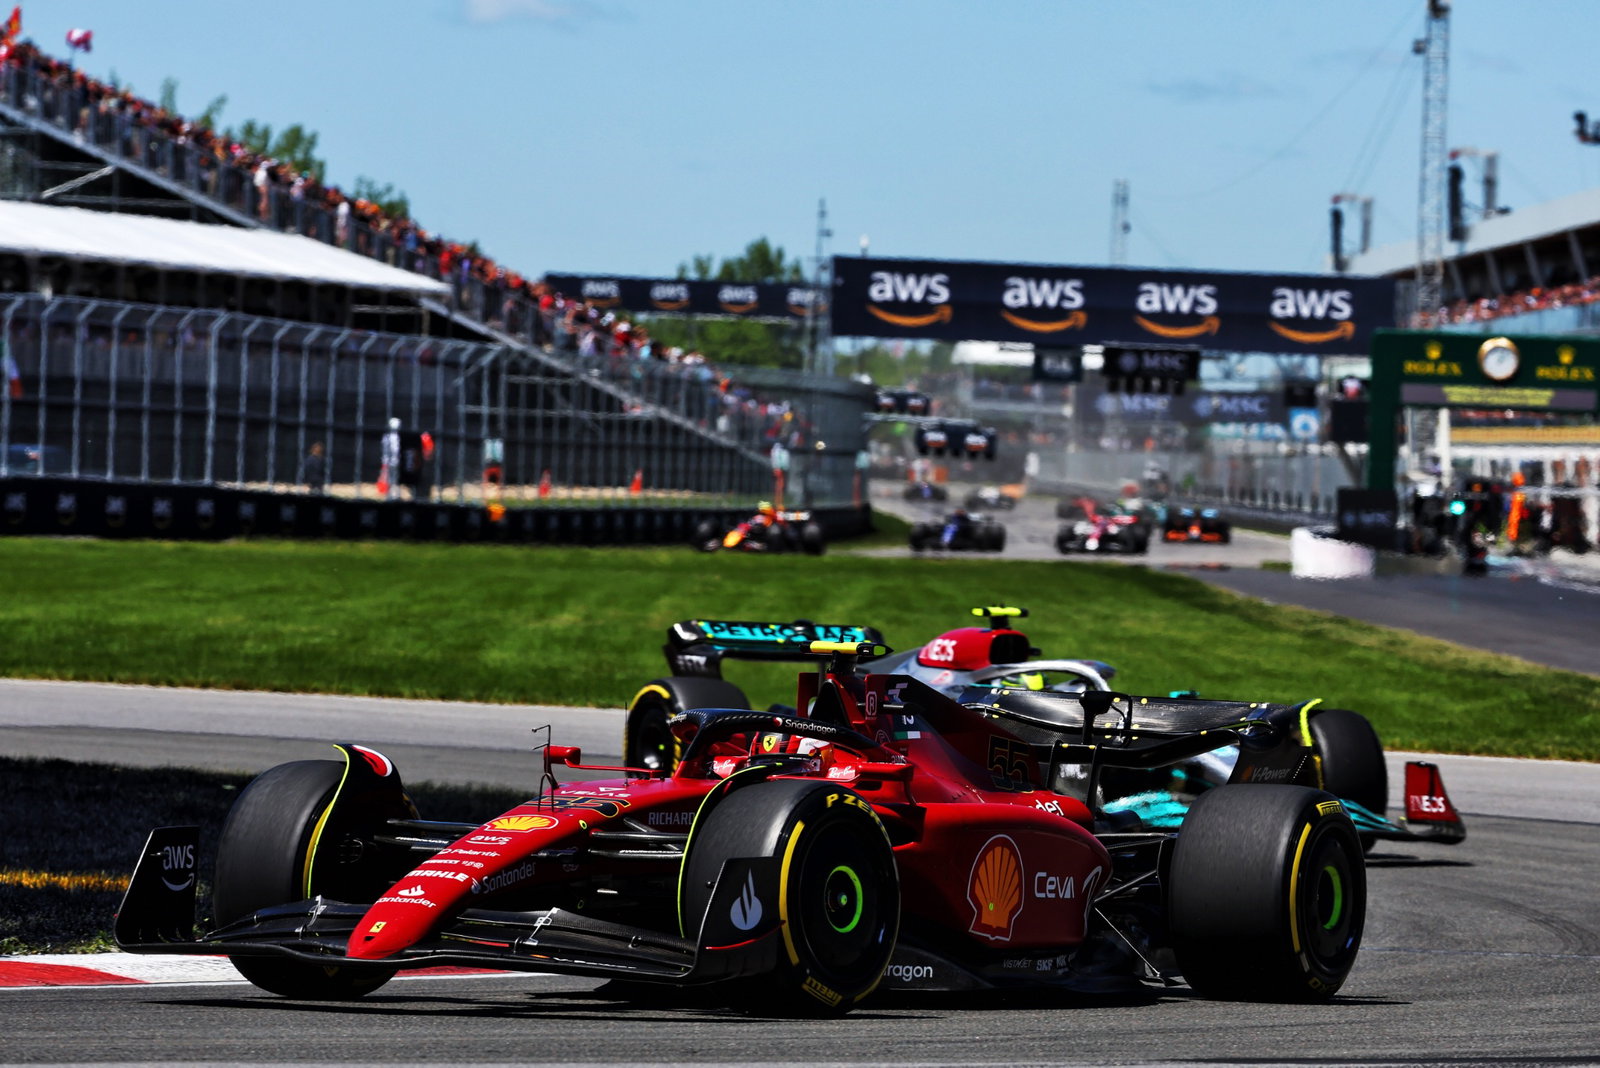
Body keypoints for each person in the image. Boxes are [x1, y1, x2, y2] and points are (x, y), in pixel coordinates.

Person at [380, 418, 401, 500]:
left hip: (392, 461)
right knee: (392, 479)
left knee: (393, 479)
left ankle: (393, 495)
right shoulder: (390, 437)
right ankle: (392, 495)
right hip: (393, 461)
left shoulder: (387, 436)